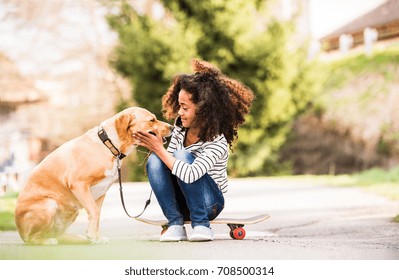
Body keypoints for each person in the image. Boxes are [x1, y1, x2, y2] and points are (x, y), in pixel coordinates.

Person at [133, 59, 254, 242]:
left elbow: (190, 174)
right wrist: (155, 147)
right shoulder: (180, 128)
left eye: (185, 107)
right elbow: (168, 163)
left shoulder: (217, 142)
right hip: (183, 202)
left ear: (204, 110)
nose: (179, 112)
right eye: (179, 106)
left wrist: (159, 149)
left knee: (180, 155)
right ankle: (175, 224)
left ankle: (202, 225)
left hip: (210, 204)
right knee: (155, 160)